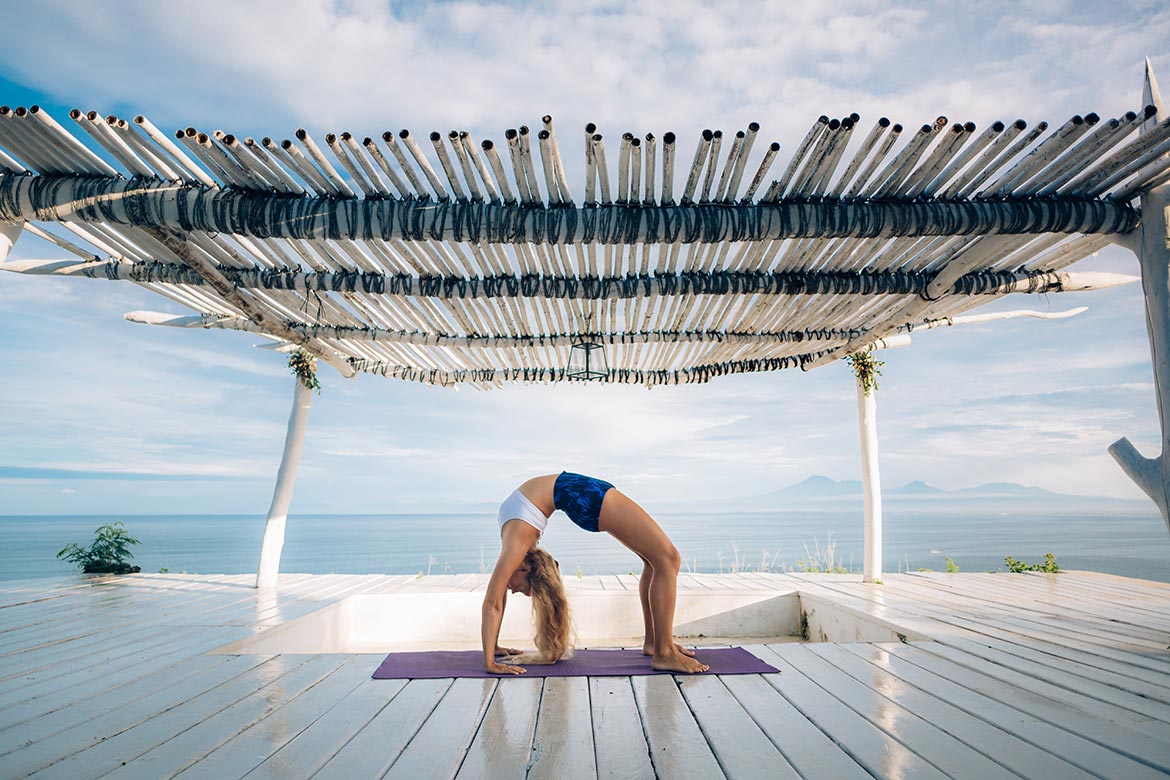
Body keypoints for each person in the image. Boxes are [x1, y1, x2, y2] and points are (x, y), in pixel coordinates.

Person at [481, 472, 709, 675]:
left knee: (659, 561)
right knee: (666, 560)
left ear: (525, 568)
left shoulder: (515, 547)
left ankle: (657, 644)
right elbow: (496, 600)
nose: (512, 590)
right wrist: (491, 656)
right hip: (581, 495)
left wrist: (491, 657)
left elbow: (494, 601)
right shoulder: (516, 545)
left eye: (520, 589)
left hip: (580, 494)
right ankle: (663, 650)